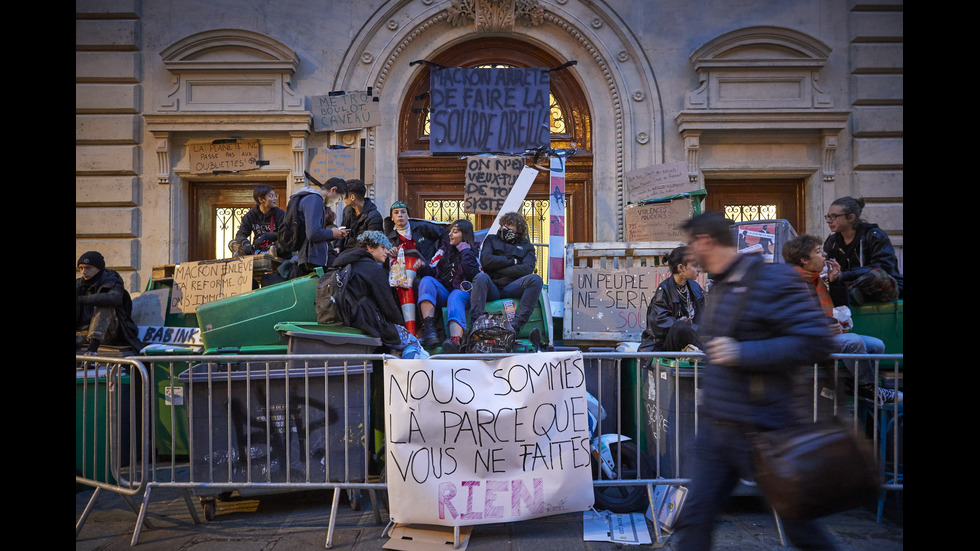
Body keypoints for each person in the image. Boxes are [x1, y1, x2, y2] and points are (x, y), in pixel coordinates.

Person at [674, 211, 838, 551]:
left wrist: (743, 353)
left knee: (801, 526)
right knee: (694, 520)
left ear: (705, 242)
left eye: (691, 245)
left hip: (765, 428)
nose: (689, 254)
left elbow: (816, 341)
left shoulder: (773, 279)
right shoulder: (719, 287)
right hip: (717, 431)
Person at [782, 235, 902, 405]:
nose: (824, 255)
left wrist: (835, 281)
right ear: (804, 260)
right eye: (818, 251)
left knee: (877, 345)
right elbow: (788, 321)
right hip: (804, 342)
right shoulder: (789, 283)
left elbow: (840, 309)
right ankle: (868, 388)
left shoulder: (817, 279)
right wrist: (821, 327)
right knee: (854, 342)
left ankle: (855, 386)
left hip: (823, 337)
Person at [331, 231, 424, 357]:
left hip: (346, 317)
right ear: (369, 247)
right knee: (412, 343)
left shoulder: (347, 262)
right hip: (365, 320)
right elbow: (388, 305)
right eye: (383, 247)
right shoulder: (373, 269)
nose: (386, 251)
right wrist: (401, 325)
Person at [469, 212, 543, 340]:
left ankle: (516, 327)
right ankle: (475, 326)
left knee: (536, 280)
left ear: (518, 229)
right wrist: (512, 261)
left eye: (510, 225)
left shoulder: (527, 247)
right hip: (492, 286)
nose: (505, 228)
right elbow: (486, 261)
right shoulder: (491, 239)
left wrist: (497, 267)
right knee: (481, 277)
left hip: (512, 286)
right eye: (504, 224)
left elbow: (527, 269)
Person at [823, 196, 903, 304]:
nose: (828, 221)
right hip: (847, 285)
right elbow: (830, 270)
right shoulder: (832, 242)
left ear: (851, 217)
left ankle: (853, 294)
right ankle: (853, 294)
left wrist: (844, 275)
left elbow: (884, 266)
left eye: (834, 216)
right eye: (828, 216)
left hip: (879, 285)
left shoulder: (875, 235)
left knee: (876, 275)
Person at [416, 219, 480, 352]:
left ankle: (455, 341)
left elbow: (475, 275)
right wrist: (423, 267)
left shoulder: (475, 251)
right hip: (445, 291)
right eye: (450, 231)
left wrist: (465, 252)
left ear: (465, 234)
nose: (450, 234)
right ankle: (428, 329)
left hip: (465, 293)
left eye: (455, 232)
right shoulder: (444, 250)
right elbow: (433, 270)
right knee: (427, 281)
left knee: (455, 295)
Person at [384, 201, 446, 335]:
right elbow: (385, 262)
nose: (400, 215)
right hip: (404, 276)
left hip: (427, 271)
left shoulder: (422, 227)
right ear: (392, 218)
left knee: (418, 284)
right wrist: (391, 254)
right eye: (396, 213)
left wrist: (437, 256)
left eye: (403, 212)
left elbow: (445, 234)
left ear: (408, 215)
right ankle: (409, 328)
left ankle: (425, 327)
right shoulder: (389, 240)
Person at [638, 246, 705, 355]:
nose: (698, 269)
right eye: (694, 265)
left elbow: (704, 317)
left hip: (688, 341)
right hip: (663, 346)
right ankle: (706, 356)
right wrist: (691, 327)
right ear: (681, 268)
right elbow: (660, 323)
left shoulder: (694, 287)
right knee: (680, 326)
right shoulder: (664, 290)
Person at [76, 251, 144, 355]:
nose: (83, 272)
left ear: (99, 268)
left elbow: (114, 298)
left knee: (105, 304)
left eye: (88, 268)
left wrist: (83, 299)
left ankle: (92, 350)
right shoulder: (78, 284)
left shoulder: (112, 280)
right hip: (83, 334)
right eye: (81, 268)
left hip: (110, 332)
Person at [287, 174, 350, 278]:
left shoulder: (308, 198)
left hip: (306, 256)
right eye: (340, 198)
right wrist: (333, 233)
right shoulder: (315, 200)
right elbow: (313, 233)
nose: (338, 203)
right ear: (333, 190)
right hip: (311, 259)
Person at [229, 184, 285, 256]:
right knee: (232, 243)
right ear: (261, 199)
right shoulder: (250, 215)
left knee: (284, 243)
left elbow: (284, 235)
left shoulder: (281, 214)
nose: (275, 198)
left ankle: (268, 253)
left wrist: (265, 236)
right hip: (257, 249)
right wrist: (246, 244)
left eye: (275, 196)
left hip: (275, 248)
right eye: (271, 196)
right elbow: (240, 234)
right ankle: (246, 254)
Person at [338, 179, 383, 252]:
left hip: (364, 255)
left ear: (352, 197)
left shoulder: (374, 217)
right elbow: (342, 232)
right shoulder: (347, 211)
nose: (343, 199)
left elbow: (373, 244)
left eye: (345, 196)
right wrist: (338, 247)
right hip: (347, 253)